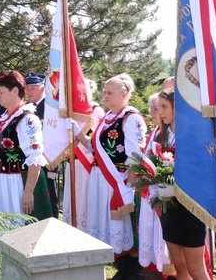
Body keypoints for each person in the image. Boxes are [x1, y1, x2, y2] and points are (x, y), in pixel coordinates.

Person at [70, 73, 147, 279]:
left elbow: (136, 156)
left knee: (122, 225)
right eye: (104, 92)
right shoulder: (107, 118)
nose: (105, 96)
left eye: (110, 92)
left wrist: (128, 188)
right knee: (104, 223)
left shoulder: (131, 118)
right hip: (99, 178)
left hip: (118, 181)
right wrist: (77, 133)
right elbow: (95, 150)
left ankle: (131, 270)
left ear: (124, 94)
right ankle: (117, 265)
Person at [152, 88, 208, 280]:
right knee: (180, 267)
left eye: (165, 107)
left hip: (190, 208)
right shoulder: (161, 135)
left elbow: (201, 170)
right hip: (169, 208)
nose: (160, 111)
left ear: (179, 108)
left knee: (196, 269)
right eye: (159, 107)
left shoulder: (193, 134)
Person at [0, 70, 52, 219]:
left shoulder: (27, 120)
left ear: (14, 91)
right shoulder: (7, 116)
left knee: (15, 225)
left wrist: (28, 192)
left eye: (1, 92)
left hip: (14, 184)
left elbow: (35, 157)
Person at [62, 78, 105, 232]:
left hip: (87, 163)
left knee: (86, 201)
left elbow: (96, 141)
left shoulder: (96, 111)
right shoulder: (69, 111)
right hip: (72, 161)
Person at [137, 92, 172, 276]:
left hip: (165, 194)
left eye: (157, 108)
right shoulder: (155, 132)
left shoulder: (172, 133)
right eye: (151, 108)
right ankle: (153, 269)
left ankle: (167, 270)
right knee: (150, 234)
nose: (152, 112)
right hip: (151, 192)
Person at [25, 71, 59, 218]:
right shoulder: (27, 107)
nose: (28, 91)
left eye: (33, 87)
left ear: (43, 87)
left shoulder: (51, 107)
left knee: (50, 194)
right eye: (27, 88)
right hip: (33, 158)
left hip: (49, 157)